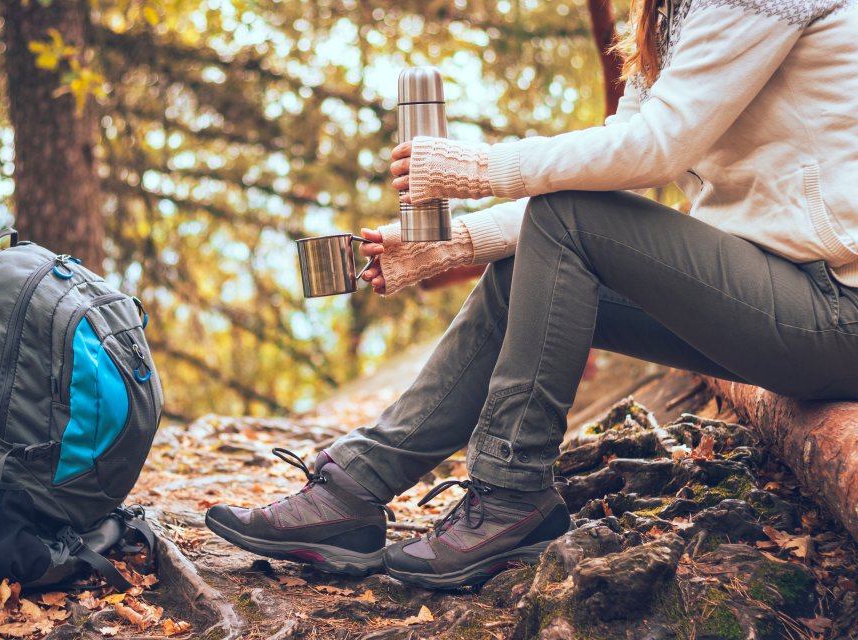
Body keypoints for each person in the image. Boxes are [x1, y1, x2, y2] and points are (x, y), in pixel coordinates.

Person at [204, 0, 858, 589]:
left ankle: (511, 494)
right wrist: (452, 245)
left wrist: (479, 167)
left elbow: (653, 150)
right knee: (533, 263)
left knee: (565, 223)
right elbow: (607, 189)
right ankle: (355, 486)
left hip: (834, 312)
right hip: (774, 296)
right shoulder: (672, 15)